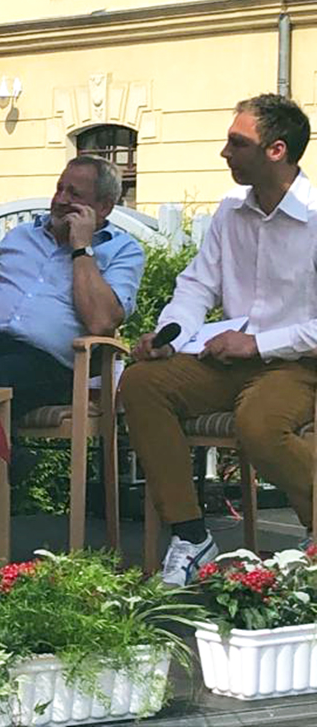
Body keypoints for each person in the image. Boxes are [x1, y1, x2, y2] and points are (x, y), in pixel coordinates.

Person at [122, 94, 317, 586]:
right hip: (229, 359)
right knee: (143, 382)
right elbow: (196, 285)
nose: (224, 153)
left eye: (237, 142)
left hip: (299, 364)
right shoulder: (230, 211)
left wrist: (257, 344)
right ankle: (191, 536)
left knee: (259, 425)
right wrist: (169, 335)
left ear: (276, 150)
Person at [0, 157, 145, 511]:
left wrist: (82, 249)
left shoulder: (123, 250)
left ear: (103, 207)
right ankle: (0, 460)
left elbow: (101, 323)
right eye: (59, 188)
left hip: (47, 362)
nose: (61, 199)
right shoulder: (19, 236)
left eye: (74, 194)